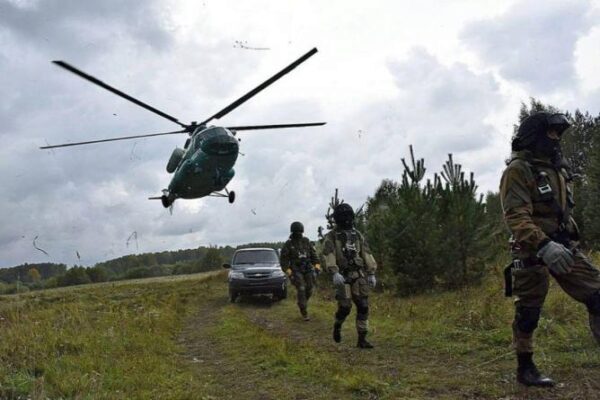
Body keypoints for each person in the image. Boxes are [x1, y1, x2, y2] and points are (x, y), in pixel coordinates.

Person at [500, 112, 600, 387]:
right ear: (536, 135)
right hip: (532, 249)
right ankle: (525, 368)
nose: (556, 140)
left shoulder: (559, 169)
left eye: (559, 134)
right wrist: (543, 245)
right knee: (529, 312)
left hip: (564, 247)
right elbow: (516, 216)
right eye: (552, 133)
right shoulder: (518, 170)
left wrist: (566, 239)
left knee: (597, 294)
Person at [322, 203, 377, 348]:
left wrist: (371, 272)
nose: (346, 219)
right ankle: (337, 325)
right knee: (345, 307)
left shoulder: (357, 234)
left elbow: (366, 252)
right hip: (342, 276)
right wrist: (334, 272)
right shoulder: (332, 236)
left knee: (363, 306)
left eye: (348, 216)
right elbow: (329, 253)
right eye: (343, 216)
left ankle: (362, 339)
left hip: (358, 274)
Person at [280, 221, 320, 321]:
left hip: (307, 268)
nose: (299, 234)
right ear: (293, 232)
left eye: (300, 232)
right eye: (297, 232)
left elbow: (314, 256)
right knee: (301, 288)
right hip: (296, 270)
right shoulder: (289, 244)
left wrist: (317, 266)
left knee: (310, 288)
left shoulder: (306, 241)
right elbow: (284, 261)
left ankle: (302, 302)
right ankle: (304, 311)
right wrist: (289, 272)